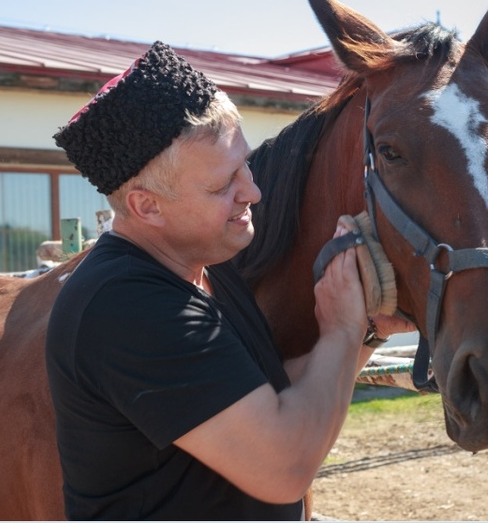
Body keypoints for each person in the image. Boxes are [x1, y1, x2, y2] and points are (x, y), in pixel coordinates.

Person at [46, 40, 409, 520]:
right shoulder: (127, 306)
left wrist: (366, 328)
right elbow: (283, 466)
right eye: (223, 185)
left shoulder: (207, 267)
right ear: (146, 206)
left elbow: (274, 398)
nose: (253, 192)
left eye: (246, 165)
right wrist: (340, 329)